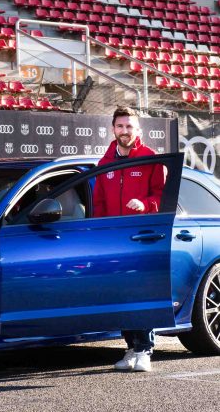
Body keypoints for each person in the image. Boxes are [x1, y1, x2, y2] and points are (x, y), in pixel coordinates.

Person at [93, 106, 166, 373]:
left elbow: (161, 196)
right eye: (120, 126)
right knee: (120, 293)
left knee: (140, 292)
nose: (125, 131)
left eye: (129, 126)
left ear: (138, 129)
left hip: (141, 237)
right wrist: (100, 235)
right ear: (113, 129)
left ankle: (145, 350)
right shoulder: (104, 163)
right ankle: (132, 348)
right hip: (114, 240)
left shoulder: (151, 158)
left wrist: (145, 205)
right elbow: (99, 204)